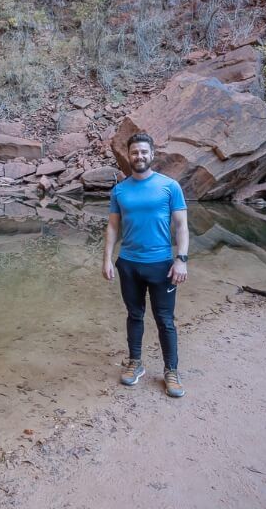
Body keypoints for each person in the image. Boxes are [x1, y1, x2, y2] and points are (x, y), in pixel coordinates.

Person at [102, 132, 189, 397]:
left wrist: (181, 259)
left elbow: (182, 225)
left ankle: (171, 371)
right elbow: (113, 226)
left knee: (165, 320)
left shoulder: (169, 186)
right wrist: (107, 259)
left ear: (152, 154)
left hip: (162, 264)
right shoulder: (120, 190)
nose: (139, 156)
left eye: (143, 152)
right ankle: (135, 363)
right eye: (134, 152)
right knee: (134, 315)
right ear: (128, 156)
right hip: (128, 264)